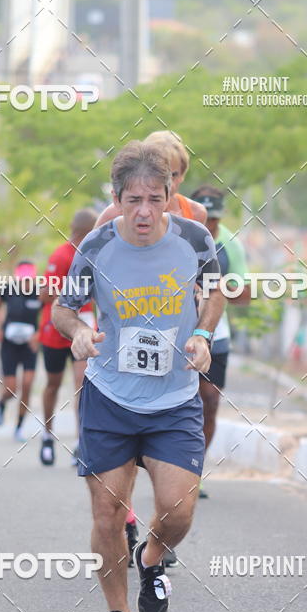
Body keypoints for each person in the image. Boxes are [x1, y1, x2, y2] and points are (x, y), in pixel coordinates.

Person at [53, 140, 225, 612]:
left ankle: (151, 559)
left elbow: (214, 292)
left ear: (171, 195)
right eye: (134, 200)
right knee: (107, 513)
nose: (145, 211)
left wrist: (203, 335)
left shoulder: (195, 239)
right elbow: (64, 308)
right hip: (110, 396)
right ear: (117, 198)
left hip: (173, 399)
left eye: (156, 198)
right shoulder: (99, 245)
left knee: (179, 511)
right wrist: (78, 333)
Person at [95, 131, 207, 563]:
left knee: (170, 448)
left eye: (176, 175)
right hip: (120, 334)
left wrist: (201, 326)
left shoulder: (194, 216)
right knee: (122, 450)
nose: (171, 182)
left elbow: (207, 271)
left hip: (177, 338)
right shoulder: (115, 214)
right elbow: (95, 269)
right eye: (166, 171)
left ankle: (163, 528)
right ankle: (124, 512)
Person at [191, 185, 250, 497]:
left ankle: (194, 470)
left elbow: (246, 295)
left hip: (217, 334)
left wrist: (226, 289)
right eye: (204, 218)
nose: (209, 226)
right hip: (178, 335)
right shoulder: (178, 236)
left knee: (209, 401)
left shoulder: (230, 244)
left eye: (214, 219)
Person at [38, 209, 97, 466]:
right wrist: (71, 292)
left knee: (82, 387)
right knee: (52, 384)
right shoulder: (62, 255)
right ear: (85, 231)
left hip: (82, 328)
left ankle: (80, 443)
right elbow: (44, 296)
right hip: (55, 329)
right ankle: (47, 436)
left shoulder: (96, 254)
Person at [0, 261, 41, 441]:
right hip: (10, 344)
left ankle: (19, 427)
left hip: (30, 345)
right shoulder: (8, 289)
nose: (26, 283)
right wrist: (0, 327)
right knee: (11, 389)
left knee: (27, 385)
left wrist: (38, 334)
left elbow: (47, 313)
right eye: (23, 279)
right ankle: (1, 404)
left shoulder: (39, 292)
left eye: (29, 279)